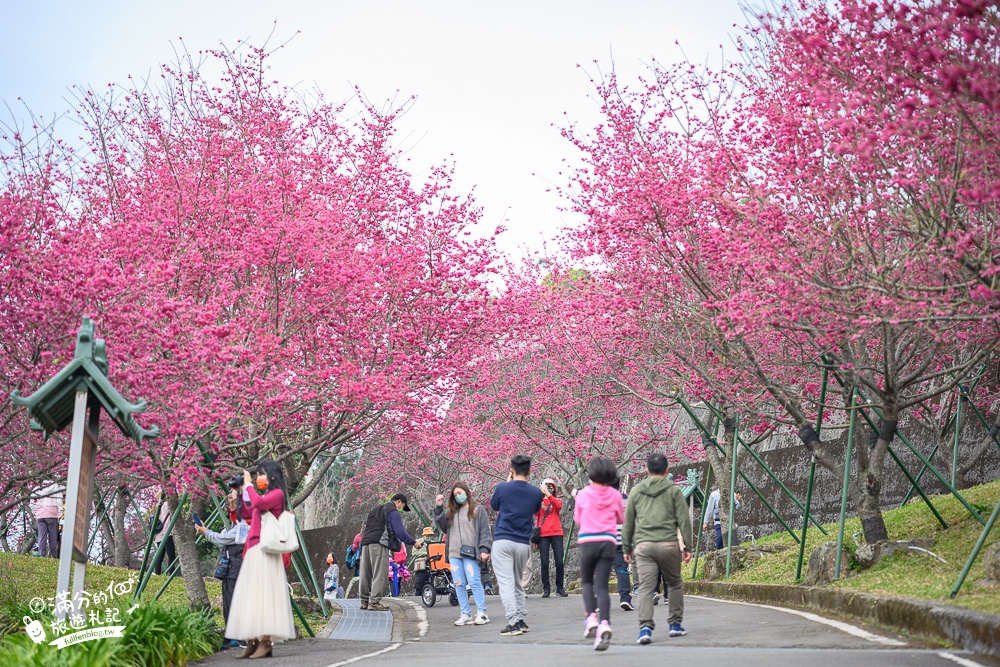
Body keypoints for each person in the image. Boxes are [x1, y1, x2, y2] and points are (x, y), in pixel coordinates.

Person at [226, 460, 296, 659]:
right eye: (256, 476)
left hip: (266, 551)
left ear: (272, 476)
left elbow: (258, 503)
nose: (258, 479)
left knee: (264, 596)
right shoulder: (264, 496)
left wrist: (247, 486)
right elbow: (248, 512)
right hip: (254, 550)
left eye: (261, 475)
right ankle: (252, 641)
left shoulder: (277, 495)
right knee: (251, 597)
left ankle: (265, 642)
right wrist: (239, 495)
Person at [623, 453, 693, 645]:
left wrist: (627, 547)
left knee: (646, 587)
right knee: (674, 583)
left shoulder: (636, 491)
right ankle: (675, 625)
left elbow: (628, 521)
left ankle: (645, 628)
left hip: (644, 546)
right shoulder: (673, 491)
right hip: (668, 544)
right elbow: (684, 520)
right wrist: (687, 545)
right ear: (667, 469)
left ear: (647, 469)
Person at [574, 457, 625, 651]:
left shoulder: (583, 494)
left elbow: (578, 519)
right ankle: (605, 623)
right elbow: (620, 518)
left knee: (587, 582)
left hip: (588, 541)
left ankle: (591, 618)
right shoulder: (615, 495)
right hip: (608, 542)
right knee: (602, 585)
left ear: (590, 474)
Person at [490, 454, 543, 637]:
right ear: (530, 470)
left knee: (506, 583)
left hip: (503, 540)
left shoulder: (503, 488)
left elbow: (494, 505)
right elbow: (536, 510)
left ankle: (513, 622)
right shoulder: (536, 492)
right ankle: (520, 619)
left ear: (511, 469)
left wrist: (507, 481)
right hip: (522, 543)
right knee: (518, 583)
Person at [195, 487, 249, 650]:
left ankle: (237, 638)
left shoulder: (244, 523)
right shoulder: (235, 522)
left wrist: (206, 532)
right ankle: (231, 637)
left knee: (233, 603)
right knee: (228, 602)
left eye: (233, 495)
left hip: (236, 569)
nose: (230, 497)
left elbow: (222, 538)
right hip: (231, 569)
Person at [434, 482, 493, 626]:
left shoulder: (478, 510)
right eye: (455, 495)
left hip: (471, 552)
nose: (457, 496)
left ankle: (482, 612)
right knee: (458, 583)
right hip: (454, 552)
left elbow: (485, 531)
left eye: (459, 493)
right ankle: (465, 613)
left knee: (474, 581)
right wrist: (439, 507)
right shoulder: (452, 513)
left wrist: (485, 549)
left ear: (466, 492)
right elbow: (443, 527)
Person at [358, 493, 424, 611]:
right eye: (402, 506)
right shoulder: (392, 512)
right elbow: (400, 533)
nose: (400, 509)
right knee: (380, 572)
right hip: (378, 543)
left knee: (365, 573)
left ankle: (364, 601)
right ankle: (374, 602)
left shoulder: (375, 510)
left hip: (365, 543)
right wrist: (413, 542)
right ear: (399, 501)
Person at [535, 478, 567, 598]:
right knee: (544, 562)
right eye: (546, 486)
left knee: (559, 561)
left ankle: (560, 588)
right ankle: (546, 588)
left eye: (551, 486)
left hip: (557, 533)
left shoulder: (556, 500)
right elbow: (534, 513)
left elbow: (558, 506)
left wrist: (549, 495)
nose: (548, 488)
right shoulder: (539, 502)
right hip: (543, 534)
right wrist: (539, 502)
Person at [609, 477, 633, 612]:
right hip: (623, 539)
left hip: (606, 539)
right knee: (622, 570)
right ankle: (625, 599)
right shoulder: (626, 498)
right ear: (619, 485)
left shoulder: (602, 499)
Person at [30, 480, 62, 558]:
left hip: (40, 515)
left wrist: (35, 513)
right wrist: (60, 511)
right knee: (52, 536)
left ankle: (42, 554)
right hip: (52, 515)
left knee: (41, 536)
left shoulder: (37, 489)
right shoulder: (55, 487)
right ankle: (54, 555)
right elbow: (59, 500)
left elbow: (32, 503)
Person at [151, 490, 176, 575]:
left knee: (159, 557)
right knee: (171, 556)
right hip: (166, 534)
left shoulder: (157, 507)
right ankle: (171, 573)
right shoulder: (166, 505)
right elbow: (175, 502)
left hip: (158, 536)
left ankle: (157, 573)